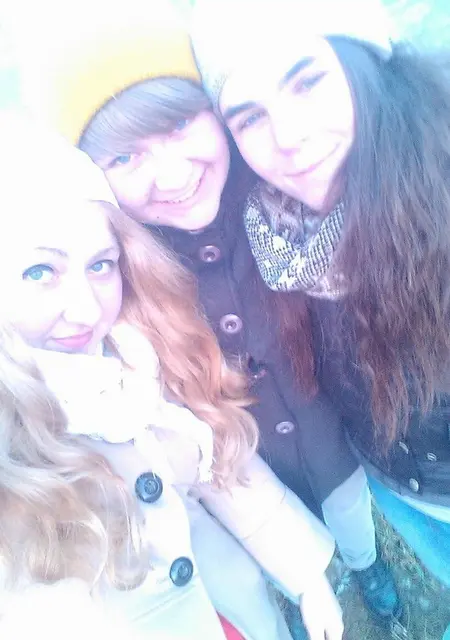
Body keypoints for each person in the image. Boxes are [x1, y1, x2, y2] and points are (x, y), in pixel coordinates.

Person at [8, 0, 399, 621]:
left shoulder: (290, 189)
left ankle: (366, 564)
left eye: (178, 126)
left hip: (337, 441)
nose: (171, 176)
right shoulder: (112, 286)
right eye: (124, 158)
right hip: (237, 473)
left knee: (353, 517)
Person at [0, 113, 344, 640]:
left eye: (100, 265)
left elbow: (224, 470)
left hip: (242, 617)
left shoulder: (134, 360)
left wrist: (307, 577)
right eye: (39, 272)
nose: (86, 309)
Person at [190, 0, 450, 631]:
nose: (288, 137)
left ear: (364, 63)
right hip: (392, 480)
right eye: (250, 117)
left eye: (307, 82)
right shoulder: (272, 229)